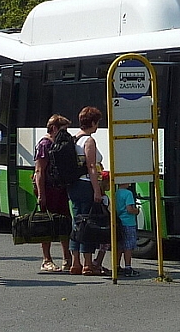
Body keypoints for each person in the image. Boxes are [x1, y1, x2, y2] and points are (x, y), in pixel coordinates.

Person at [33, 114, 73, 273]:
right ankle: (46, 259)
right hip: (48, 188)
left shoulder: (59, 144)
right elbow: (39, 170)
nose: (65, 133)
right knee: (47, 224)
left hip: (59, 187)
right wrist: (41, 194)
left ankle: (67, 257)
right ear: (54, 128)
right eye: (63, 129)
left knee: (64, 221)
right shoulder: (44, 144)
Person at [67, 106, 103, 276]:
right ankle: (88, 264)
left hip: (73, 186)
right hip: (86, 185)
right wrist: (97, 190)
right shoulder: (88, 141)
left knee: (76, 223)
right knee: (87, 223)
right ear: (93, 122)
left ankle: (75, 263)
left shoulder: (73, 139)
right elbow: (91, 167)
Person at [115, 182, 140, 277]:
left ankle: (117, 266)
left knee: (120, 245)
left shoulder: (116, 193)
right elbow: (129, 209)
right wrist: (136, 211)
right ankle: (128, 267)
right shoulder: (128, 193)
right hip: (129, 222)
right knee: (128, 246)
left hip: (119, 222)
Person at [92, 171, 111, 275]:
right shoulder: (104, 197)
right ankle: (97, 262)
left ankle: (97, 263)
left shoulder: (99, 196)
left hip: (98, 223)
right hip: (104, 223)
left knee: (103, 245)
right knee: (104, 245)